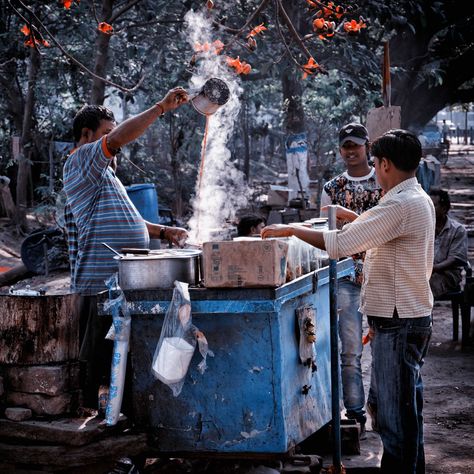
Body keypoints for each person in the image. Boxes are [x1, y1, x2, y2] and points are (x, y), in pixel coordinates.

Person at [262, 129, 435, 473]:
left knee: (393, 417)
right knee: (405, 408)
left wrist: (292, 230)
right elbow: (379, 232)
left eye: (375, 163)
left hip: (398, 321)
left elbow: (341, 245)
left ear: (384, 164)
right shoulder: (413, 197)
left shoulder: (400, 203)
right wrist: (347, 215)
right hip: (411, 316)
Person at [63, 88, 189, 406]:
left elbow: (125, 217)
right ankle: (86, 417)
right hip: (99, 281)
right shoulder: (81, 160)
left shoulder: (104, 173)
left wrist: (162, 231)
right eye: (106, 133)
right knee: (96, 356)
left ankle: (121, 413)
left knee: (121, 353)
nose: (113, 142)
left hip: (120, 278)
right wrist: (160, 107)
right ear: (86, 134)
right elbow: (118, 140)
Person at [320, 123, 383, 433]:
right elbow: (324, 229)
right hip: (346, 275)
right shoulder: (332, 187)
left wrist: (350, 220)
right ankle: (355, 411)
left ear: (367, 146)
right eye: (346, 145)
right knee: (350, 349)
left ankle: (381, 407)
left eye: (356, 145)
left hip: (382, 271)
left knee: (385, 346)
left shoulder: (385, 180)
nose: (351, 150)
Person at [429, 188, 468, 297]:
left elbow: (454, 259)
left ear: (444, 208)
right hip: (425, 273)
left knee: (425, 287)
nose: (429, 208)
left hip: (447, 274)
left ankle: (423, 313)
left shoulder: (457, 230)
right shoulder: (423, 227)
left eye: (434, 205)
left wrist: (433, 268)